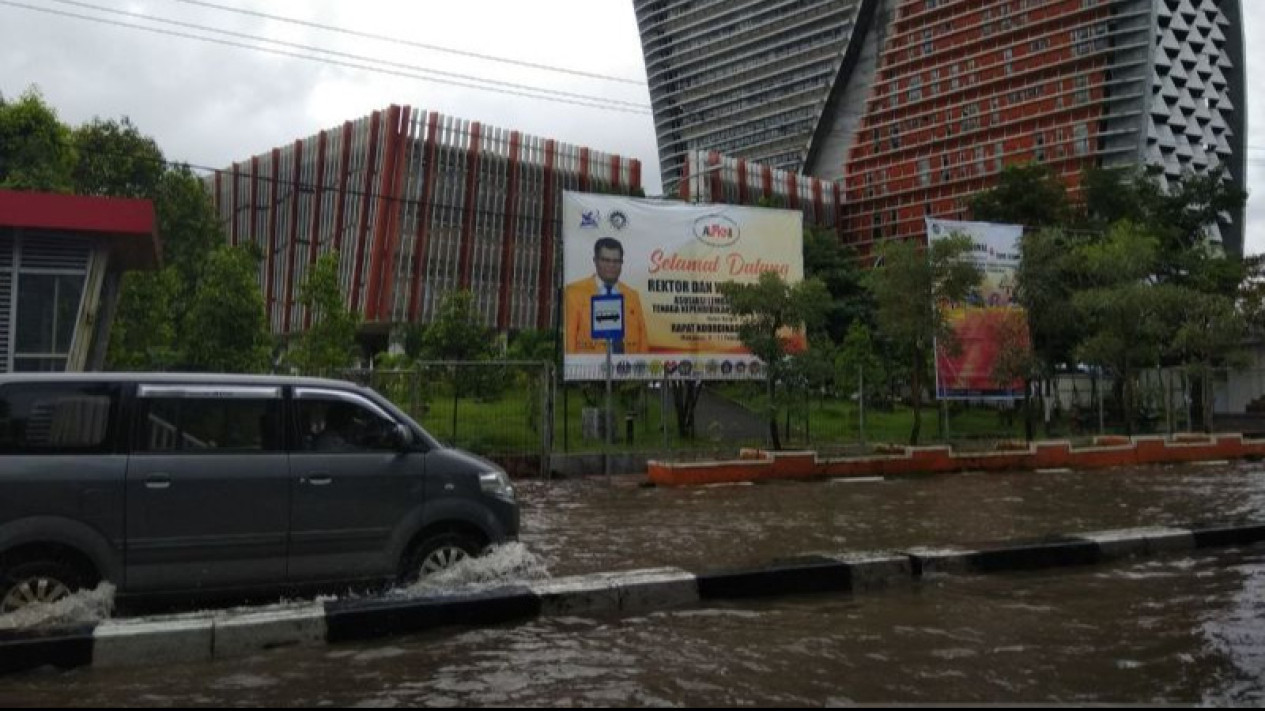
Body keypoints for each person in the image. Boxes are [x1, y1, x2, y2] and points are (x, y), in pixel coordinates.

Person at [564, 236, 649, 354]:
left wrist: (640, 368)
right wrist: (571, 369)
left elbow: (643, 338)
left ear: (622, 263)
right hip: (588, 369)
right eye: (606, 260)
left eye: (616, 261)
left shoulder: (632, 295)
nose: (611, 265)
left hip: (627, 368)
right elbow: (569, 338)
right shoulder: (574, 292)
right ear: (595, 260)